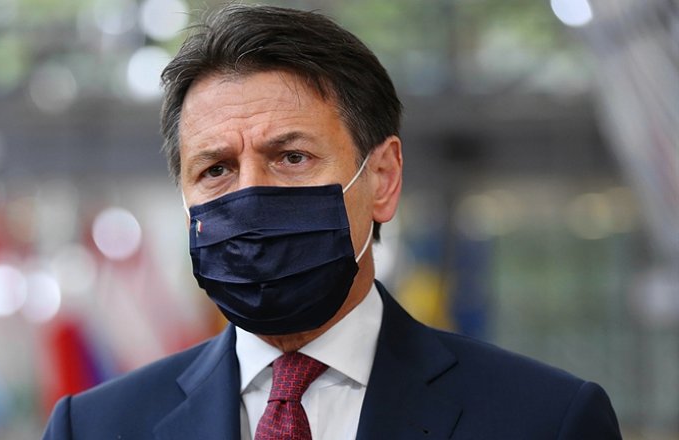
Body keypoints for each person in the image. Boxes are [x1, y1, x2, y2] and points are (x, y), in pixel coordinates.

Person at [43, 4, 622, 439]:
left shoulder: (545, 421)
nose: (250, 195)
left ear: (383, 178)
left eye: (292, 157)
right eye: (216, 169)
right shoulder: (92, 428)